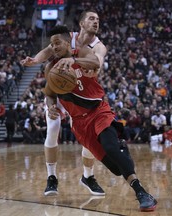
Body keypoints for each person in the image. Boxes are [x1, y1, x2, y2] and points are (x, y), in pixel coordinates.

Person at [44, 25, 157, 212]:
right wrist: (50, 106)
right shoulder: (50, 68)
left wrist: (72, 61)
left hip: (98, 111)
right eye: (51, 44)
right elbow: (49, 93)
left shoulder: (81, 51)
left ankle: (141, 192)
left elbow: (95, 64)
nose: (54, 47)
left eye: (57, 43)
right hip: (79, 123)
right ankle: (122, 149)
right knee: (115, 167)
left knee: (111, 148)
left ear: (67, 42)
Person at [21, 10, 105, 196]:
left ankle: (88, 176)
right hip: (59, 92)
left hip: (81, 93)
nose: (96, 22)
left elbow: (95, 63)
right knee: (53, 127)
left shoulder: (99, 47)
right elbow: (48, 50)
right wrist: (35, 60)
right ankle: (52, 177)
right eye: (92, 18)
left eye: (98, 19)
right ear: (81, 23)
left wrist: (78, 62)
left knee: (88, 136)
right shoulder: (67, 38)